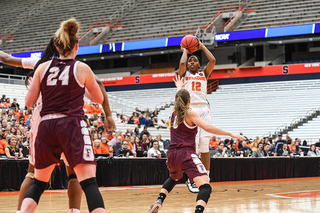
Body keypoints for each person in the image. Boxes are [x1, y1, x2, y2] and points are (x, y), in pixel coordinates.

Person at [20, 18, 107, 213]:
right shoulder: (82, 68)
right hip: (71, 125)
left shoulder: (42, 68)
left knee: (38, 183)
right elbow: (99, 99)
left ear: (57, 47)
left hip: (46, 126)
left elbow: (28, 102)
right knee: (89, 183)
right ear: (77, 46)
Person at [148, 87, 244, 213]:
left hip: (171, 155)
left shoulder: (173, 113)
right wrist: (230, 134)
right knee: (205, 187)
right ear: (189, 101)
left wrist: (180, 86)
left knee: (174, 178)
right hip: (186, 154)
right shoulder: (190, 113)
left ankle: (159, 200)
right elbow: (207, 127)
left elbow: (179, 97)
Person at [178, 38, 216, 193]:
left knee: (204, 146)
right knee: (192, 147)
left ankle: (206, 176)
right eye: (190, 61)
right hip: (191, 110)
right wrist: (186, 51)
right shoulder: (184, 74)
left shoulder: (203, 74)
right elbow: (181, 64)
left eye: (194, 61)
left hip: (204, 110)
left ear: (199, 64)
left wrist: (201, 46)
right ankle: (192, 178)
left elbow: (212, 60)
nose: (191, 63)